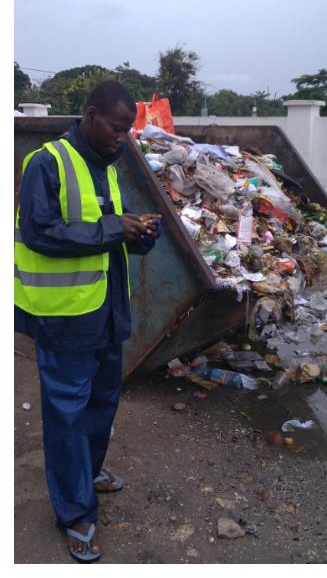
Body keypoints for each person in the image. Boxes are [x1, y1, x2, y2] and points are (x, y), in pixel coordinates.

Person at [14, 80, 160, 562]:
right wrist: (113, 227)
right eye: (118, 128)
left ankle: (88, 471)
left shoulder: (106, 167)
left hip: (104, 308)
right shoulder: (47, 162)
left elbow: (104, 231)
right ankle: (75, 512)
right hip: (63, 316)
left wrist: (136, 234)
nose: (124, 137)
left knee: (102, 400)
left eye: (129, 130)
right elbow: (39, 232)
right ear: (91, 115)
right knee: (67, 413)